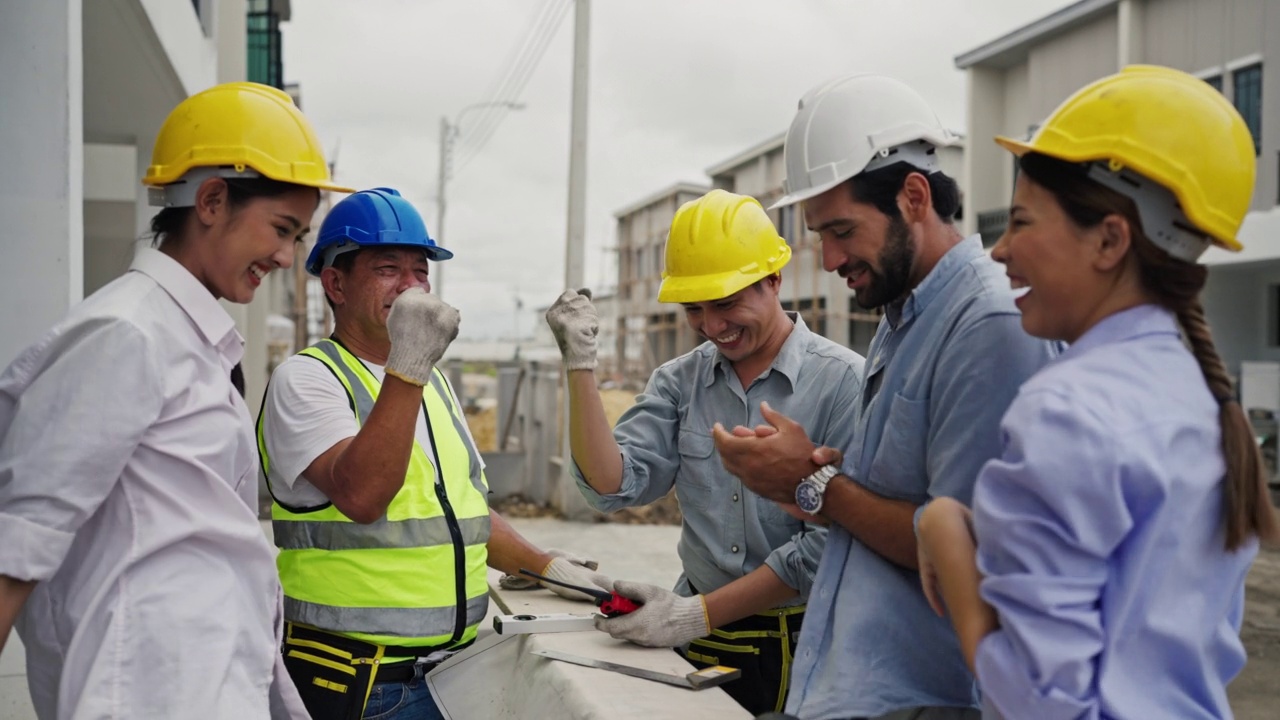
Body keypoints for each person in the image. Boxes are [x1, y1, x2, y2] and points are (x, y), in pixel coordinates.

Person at [916, 64, 1280, 719]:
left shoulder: (1068, 411)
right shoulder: (1205, 400)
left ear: (1110, 239)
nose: (1000, 251)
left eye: (1022, 222)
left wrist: (944, 529)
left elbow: (1041, 701)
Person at [711, 73, 1060, 720]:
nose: (831, 256)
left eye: (842, 229)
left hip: (931, 698)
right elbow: (898, 502)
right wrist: (816, 474)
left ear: (914, 196)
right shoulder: (904, 320)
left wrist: (813, 485)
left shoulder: (988, 325)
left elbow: (972, 558)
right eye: (819, 233)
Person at [0, 81, 349, 719]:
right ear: (212, 200)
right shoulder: (125, 335)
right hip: (143, 693)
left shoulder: (186, 340)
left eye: (297, 236)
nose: (284, 255)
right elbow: (18, 546)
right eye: (281, 228)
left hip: (201, 684)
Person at [257, 187, 610, 720]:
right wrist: (412, 361)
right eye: (387, 269)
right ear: (335, 283)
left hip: (448, 674)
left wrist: (547, 565)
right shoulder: (309, 379)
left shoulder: (432, 383)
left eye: (421, 271)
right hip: (361, 682)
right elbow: (364, 496)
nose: (411, 287)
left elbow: (460, 513)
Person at [545, 189, 865, 715]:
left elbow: (828, 547)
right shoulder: (680, 381)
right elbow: (611, 486)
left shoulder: (843, 384)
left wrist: (693, 615)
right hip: (701, 640)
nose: (713, 326)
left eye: (727, 303)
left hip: (807, 642)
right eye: (694, 309)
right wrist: (581, 365)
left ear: (774, 280)